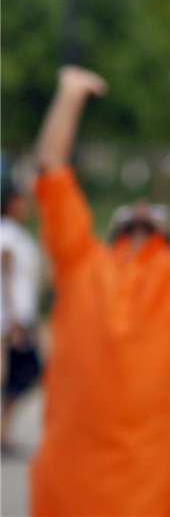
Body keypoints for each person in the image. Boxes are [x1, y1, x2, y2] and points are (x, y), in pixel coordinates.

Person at [29, 65, 170, 516]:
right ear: (113, 233)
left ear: (169, 234)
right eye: (134, 210)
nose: (144, 209)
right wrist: (69, 92)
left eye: (154, 211)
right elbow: (50, 172)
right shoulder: (80, 265)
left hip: (163, 494)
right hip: (71, 492)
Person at [1, 184, 42, 456]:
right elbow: (6, 277)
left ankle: (3, 432)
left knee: (18, 375)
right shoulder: (7, 234)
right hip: (8, 319)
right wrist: (15, 316)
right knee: (14, 374)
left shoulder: (17, 234)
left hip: (18, 317)